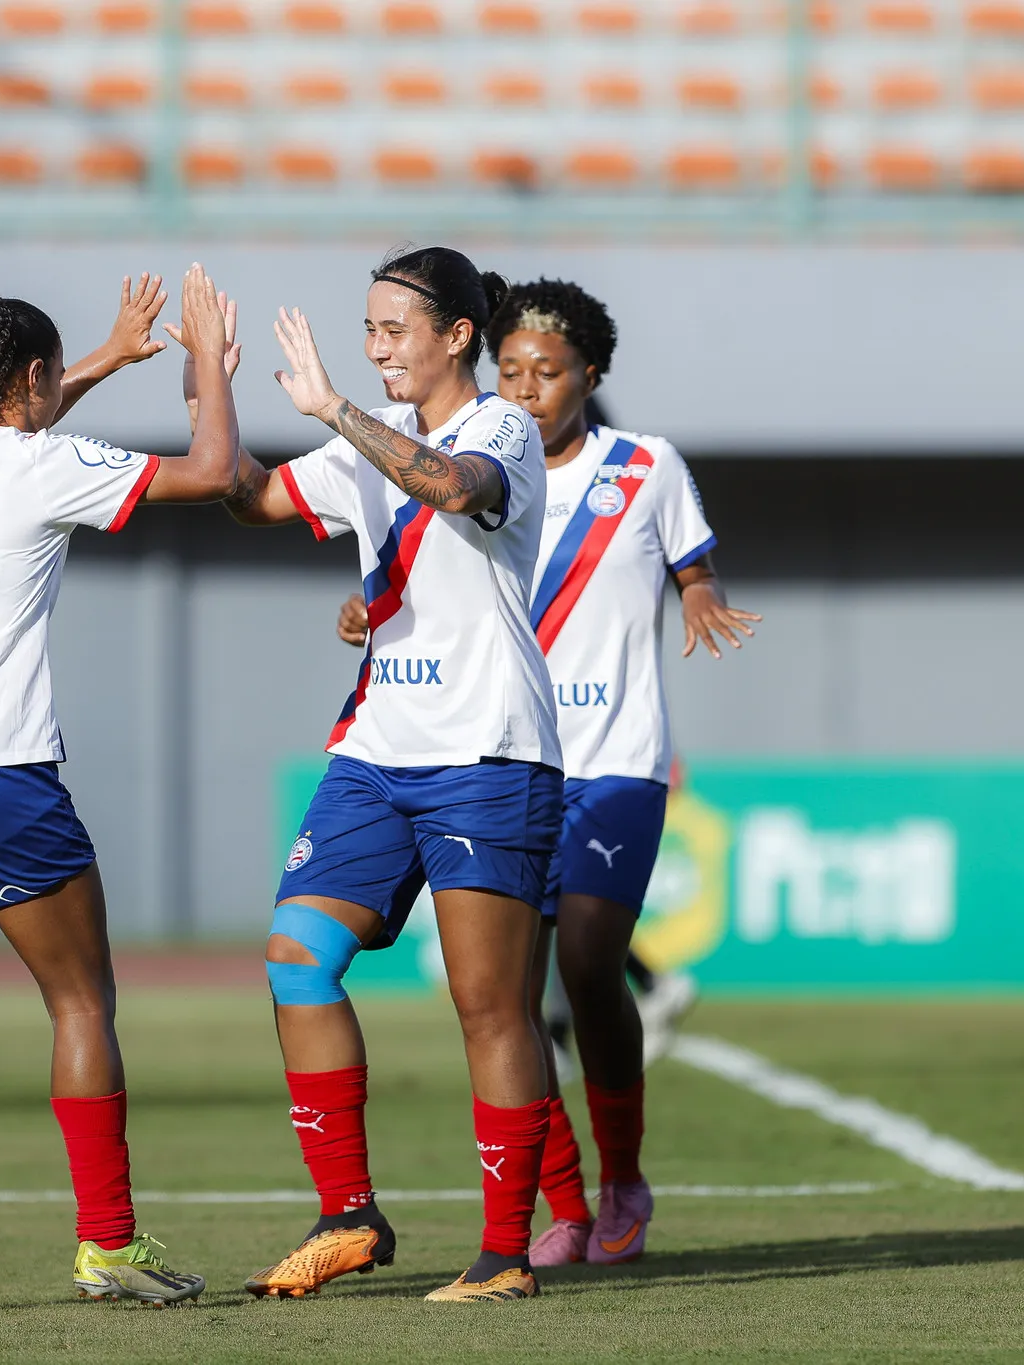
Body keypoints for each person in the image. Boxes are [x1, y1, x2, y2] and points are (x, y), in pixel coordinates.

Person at [334, 277, 757, 1268]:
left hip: (614, 760)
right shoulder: (470, 468)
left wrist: (698, 595)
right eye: (513, 370)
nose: (526, 389)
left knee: (588, 962)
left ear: (589, 376)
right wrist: (365, 612)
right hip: (510, 756)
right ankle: (562, 1206)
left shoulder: (645, 467)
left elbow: (693, 564)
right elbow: (419, 591)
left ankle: (622, 1181)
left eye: (549, 372)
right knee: (505, 999)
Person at [0, 267, 242, 1314]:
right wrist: (204, 355)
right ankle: (107, 1245)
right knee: (80, 1001)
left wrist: (104, 357)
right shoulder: (41, 465)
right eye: (54, 375)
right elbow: (212, 470)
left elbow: (8, 442)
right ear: (28, 375)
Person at [212, 246, 562, 1303]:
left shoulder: (500, 425)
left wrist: (336, 411)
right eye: (366, 331)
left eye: (392, 330)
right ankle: (348, 1216)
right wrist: (211, 391)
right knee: (293, 959)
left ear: (457, 336)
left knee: (488, 1004)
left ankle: (504, 1255)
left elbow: (453, 490)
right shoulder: (364, 439)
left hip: (487, 750)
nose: (374, 349)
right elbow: (248, 500)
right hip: (375, 752)